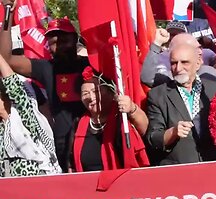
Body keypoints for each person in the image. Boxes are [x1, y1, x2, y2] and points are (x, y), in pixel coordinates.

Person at [0, 6, 89, 173]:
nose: (59, 46)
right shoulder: (46, 68)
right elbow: (6, 59)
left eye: (64, 40)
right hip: (61, 150)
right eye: (53, 43)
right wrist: (9, 13)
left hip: (91, 141)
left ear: (75, 38)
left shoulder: (91, 65)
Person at [146, 43, 216, 165]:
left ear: (197, 64)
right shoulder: (158, 95)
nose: (178, 68)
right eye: (174, 63)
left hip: (213, 167)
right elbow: (153, 138)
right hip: (178, 171)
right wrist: (173, 132)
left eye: (184, 62)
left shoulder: (213, 89)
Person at [71, 67, 149, 172]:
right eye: (85, 93)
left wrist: (132, 109)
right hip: (88, 185)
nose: (90, 97)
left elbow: (145, 129)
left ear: (110, 92)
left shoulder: (122, 116)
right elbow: (71, 164)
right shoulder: (78, 123)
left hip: (122, 182)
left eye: (96, 91)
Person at [0, 53, 61, 176]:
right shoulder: (1, 128)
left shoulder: (24, 116)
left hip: (36, 186)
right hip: (8, 191)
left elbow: (14, 86)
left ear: (5, 99)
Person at [140, 30, 216, 88]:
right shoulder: (171, 78)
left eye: (199, 48)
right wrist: (156, 44)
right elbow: (148, 78)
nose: (199, 51)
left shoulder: (210, 73)